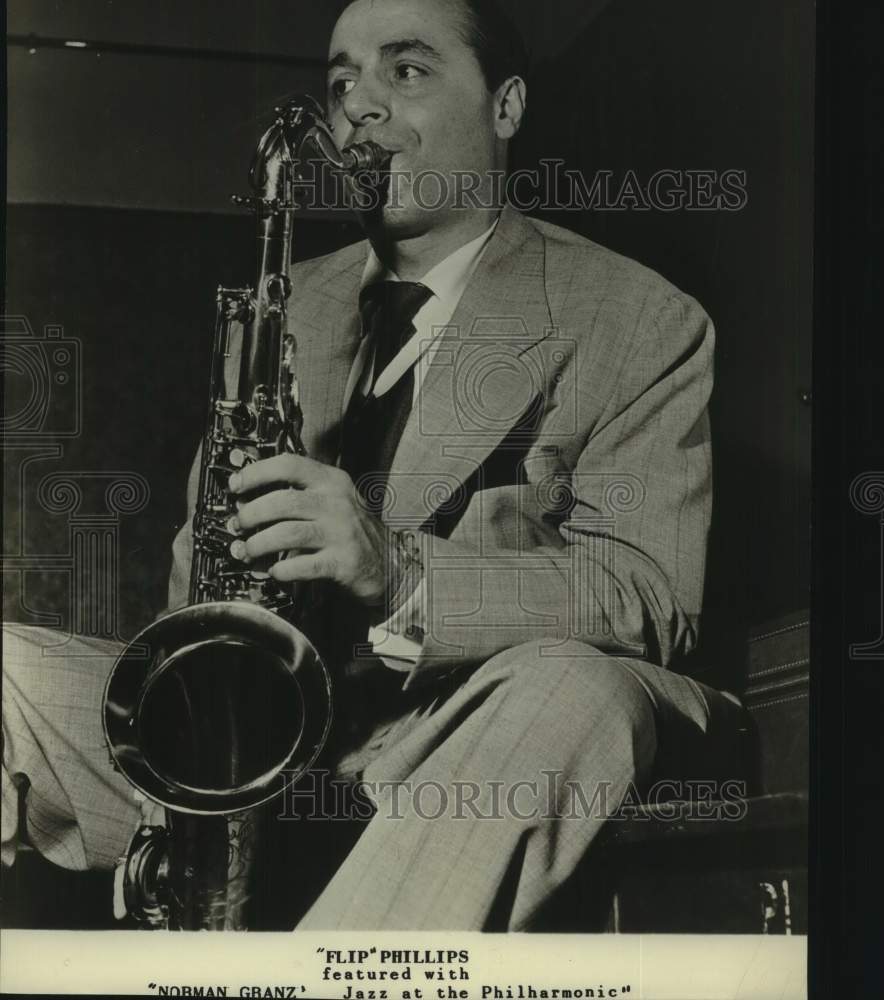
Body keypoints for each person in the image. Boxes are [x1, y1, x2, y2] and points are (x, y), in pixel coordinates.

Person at [2, 0, 744, 930]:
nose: (359, 107)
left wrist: (396, 570)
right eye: (343, 79)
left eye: (407, 70)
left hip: (465, 736)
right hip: (280, 743)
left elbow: (651, 596)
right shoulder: (287, 302)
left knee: (570, 684)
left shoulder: (638, 316)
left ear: (506, 105)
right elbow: (204, 569)